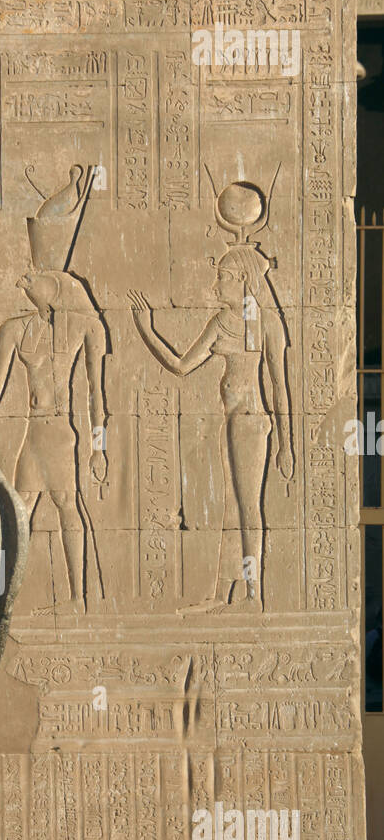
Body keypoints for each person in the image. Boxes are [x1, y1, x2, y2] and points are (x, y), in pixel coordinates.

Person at [129, 242, 293, 612]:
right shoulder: (220, 323)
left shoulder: (266, 325)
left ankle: (253, 594)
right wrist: (146, 329)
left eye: (222, 278)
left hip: (252, 423)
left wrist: (286, 444)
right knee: (232, 507)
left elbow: (279, 387)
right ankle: (223, 593)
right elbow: (181, 366)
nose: (216, 287)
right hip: (232, 421)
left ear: (244, 281)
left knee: (248, 508)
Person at [0, 267, 107, 612]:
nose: (25, 282)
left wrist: (98, 447)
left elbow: (96, 394)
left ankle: (77, 599)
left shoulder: (82, 326)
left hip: (60, 434)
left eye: (34, 276)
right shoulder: (14, 329)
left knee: (66, 506)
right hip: (35, 432)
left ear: (55, 285)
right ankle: (2, 598)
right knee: (20, 510)